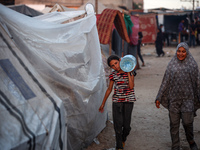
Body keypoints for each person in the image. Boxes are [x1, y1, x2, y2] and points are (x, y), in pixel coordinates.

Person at [155, 42, 200, 150]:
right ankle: (175, 146)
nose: (180, 54)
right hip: (173, 99)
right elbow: (165, 81)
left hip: (188, 99)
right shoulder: (171, 64)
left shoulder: (192, 65)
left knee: (187, 122)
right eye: (179, 51)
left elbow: (198, 82)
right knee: (174, 124)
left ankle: (191, 140)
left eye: (183, 51)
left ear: (187, 52)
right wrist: (159, 97)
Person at [99, 55, 136, 150]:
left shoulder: (131, 72)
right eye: (112, 66)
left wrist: (128, 72)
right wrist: (103, 103)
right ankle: (119, 146)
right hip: (117, 102)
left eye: (116, 63)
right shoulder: (113, 75)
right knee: (118, 125)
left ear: (120, 61)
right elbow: (109, 89)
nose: (115, 66)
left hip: (128, 101)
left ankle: (123, 139)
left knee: (127, 127)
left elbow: (131, 86)